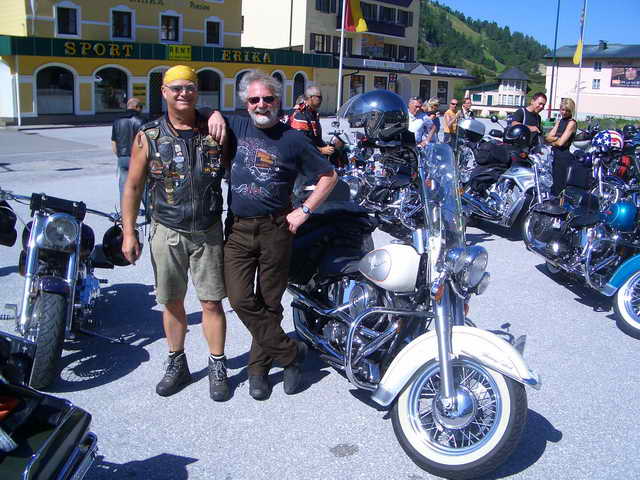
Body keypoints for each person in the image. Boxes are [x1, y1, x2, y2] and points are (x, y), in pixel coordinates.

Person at [212, 70, 337, 401]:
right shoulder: (236, 126)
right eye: (254, 99)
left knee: (269, 302)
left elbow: (328, 176)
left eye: (267, 98)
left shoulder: (293, 139)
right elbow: (197, 113)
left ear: (277, 101)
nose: (261, 104)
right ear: (246, 103)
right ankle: (291, 353)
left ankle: (258, 370)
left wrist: (305, 210)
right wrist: (213, 113)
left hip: (276, 228)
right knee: (240, 299)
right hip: (237, 229)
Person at [120, 65, 230, 401]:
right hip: (167, 230)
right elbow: (133, 186)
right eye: (177, 88)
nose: (184, 93)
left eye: (190, 87)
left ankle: (217, 365)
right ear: (164, 92)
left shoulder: (215, 130)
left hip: (208, 231)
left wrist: (215, 113)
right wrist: (129, 233)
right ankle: (177, 363)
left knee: (211, 302)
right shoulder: (149, 136)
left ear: (197, 91)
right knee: (171, 302)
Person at [111, 97, 145, 206]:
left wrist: (121, 156)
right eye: (141, 107)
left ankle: (124, 213)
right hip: (138, 158)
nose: (142, 110)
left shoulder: (117, 121)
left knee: (124, 187)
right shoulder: (142, 121)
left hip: (122, 158)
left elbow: (114, 143)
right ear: (137, 107)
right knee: (143, 186)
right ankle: (150, 212)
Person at [287, 86, 334, 157]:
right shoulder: (301, 114)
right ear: (311, 98)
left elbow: (315, 138)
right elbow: (301, 142)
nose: (321, 100)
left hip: (311, 153)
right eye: (319, 97)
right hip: (300, 157)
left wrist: (326, 146)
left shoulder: (312, 113)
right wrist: (321, 150)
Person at [545, 98, 577, 196]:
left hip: (563, 157)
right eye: (563, 110)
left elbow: (561, 143)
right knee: (551, 183)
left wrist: (553, 141)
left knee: (559, 185)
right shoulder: (559, 121)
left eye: (567, 110)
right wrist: (556, 139)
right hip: (554, 155)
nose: (564, 112)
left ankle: (558, 202)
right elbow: (548, 137)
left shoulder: (571, 123)